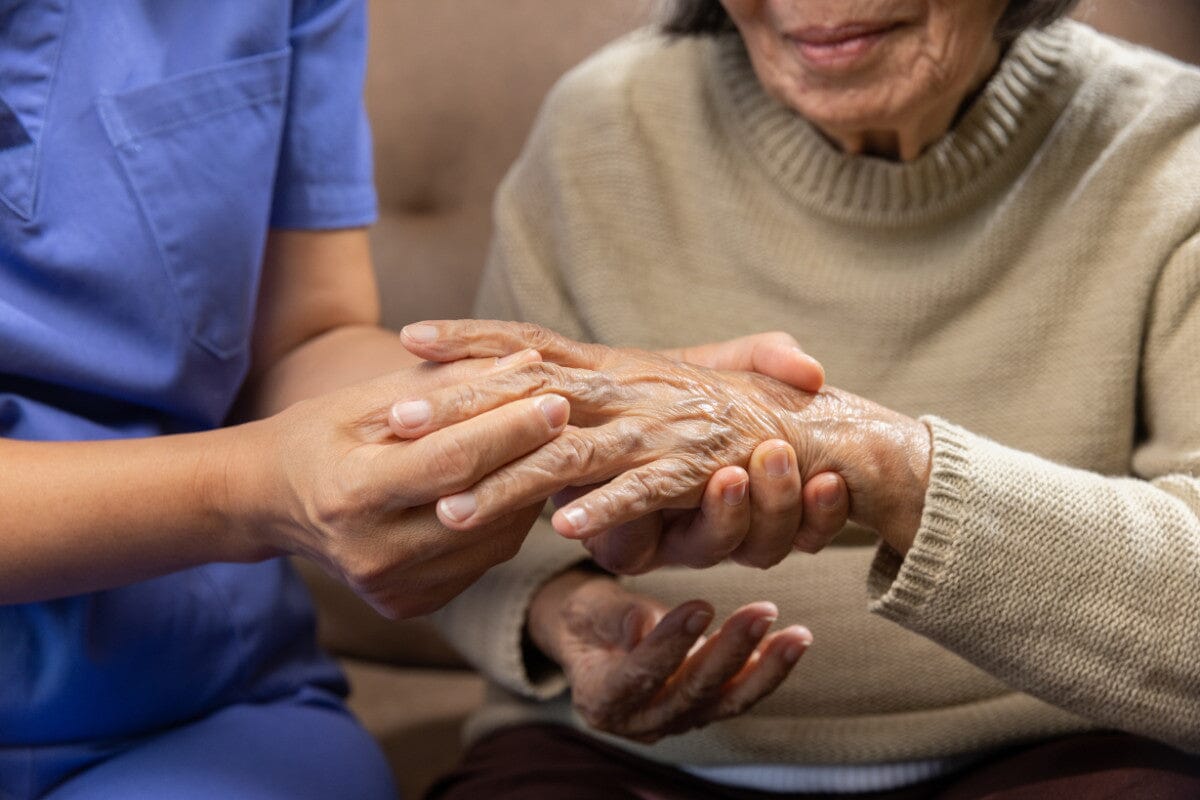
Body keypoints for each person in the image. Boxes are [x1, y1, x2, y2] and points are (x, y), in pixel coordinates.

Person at [0, 2, 840, 798]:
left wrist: (578, 396)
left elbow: (303, 342)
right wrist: (252, 490)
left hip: (190, 692)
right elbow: (265, 474)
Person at [393, 0, 1200, 797]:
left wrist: (886, 464)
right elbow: (470, 517)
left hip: (1059, 744)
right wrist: (564, 615)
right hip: (626, 762)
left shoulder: (1171, 145)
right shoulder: (597, 126)